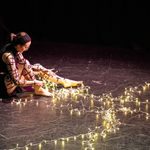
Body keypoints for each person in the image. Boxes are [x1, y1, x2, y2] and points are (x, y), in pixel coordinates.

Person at [0, 32, 83, 99]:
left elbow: (24, 65)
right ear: (19, 45)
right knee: (26, 63)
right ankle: (38, 89)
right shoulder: (8, 56)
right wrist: (34, 82)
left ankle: (64, 81)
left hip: (14, 76)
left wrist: (41, 69)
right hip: (5, 85)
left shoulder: (16, 48)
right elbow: (17, 81)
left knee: (38, 67)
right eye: (26, 47)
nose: (27, 49)